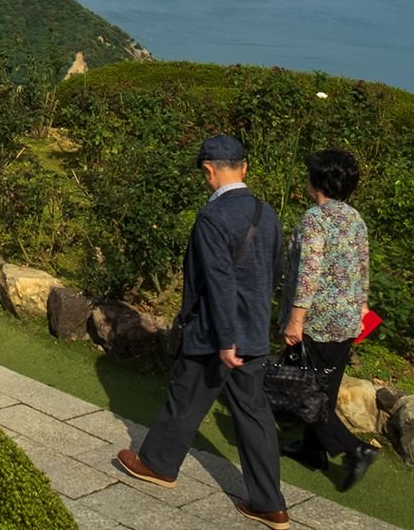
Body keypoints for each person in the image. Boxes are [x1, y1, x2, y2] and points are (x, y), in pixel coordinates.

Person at [116, 135, 290, 530]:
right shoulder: (267, 213)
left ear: (209, 170)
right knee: (255, 415)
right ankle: (271, 504)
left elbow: (218, 280)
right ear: (243, 167)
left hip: (216, 332)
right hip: (254, 330)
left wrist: (227, 338)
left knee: (186, 397)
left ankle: (158, 465)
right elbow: (276, 271)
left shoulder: (213, 217)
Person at [278, 147, 377, 491]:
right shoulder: (355, 218)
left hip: (317, 323)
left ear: (317, 182)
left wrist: (295, 321)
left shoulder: (314, 219)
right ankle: (311, 450)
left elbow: (308, 274)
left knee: (304, 394)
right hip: (347, 321)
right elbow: (363, 266)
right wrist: (362, 306)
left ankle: (355, 449)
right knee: (325, 391)